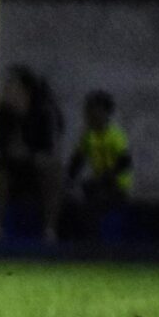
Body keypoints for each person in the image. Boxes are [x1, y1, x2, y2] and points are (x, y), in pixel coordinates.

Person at [0, 66, 63, 240]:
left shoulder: (43, 112)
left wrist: (28, 154)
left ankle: (50, 230)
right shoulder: (2, 115)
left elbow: (48, 149)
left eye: (12, 86)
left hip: (33, 169)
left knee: (53, 170)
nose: (6, 90)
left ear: (25, 91)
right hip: (10, 168)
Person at [63, 89, 131, 242]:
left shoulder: (115, 135)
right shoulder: (89, 136)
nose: (92, 115)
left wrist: (104, 178)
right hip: (98, 184)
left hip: (117, 187)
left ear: (106, 113)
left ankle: (95, 246)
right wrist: (68, 180)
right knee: (74, 201)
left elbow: (124, 164)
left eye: (96, 110)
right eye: (89, 111)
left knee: (92, 207)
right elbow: (78, 160)